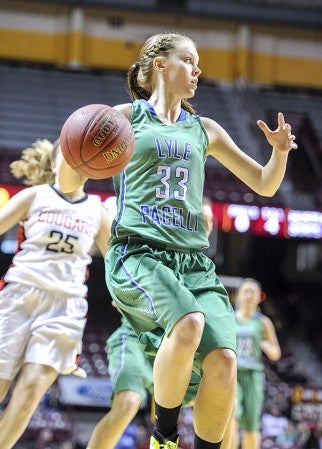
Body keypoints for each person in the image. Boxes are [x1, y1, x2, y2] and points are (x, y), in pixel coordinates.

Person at [59, 32, 297, 449]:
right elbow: (73, 157)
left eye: (199, 62)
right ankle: (165, 438)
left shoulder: (205, 128)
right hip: (139, 253)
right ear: (161, 66)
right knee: (188, 324)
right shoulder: (121, 119)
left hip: (193, 263)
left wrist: (278, 152)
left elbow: (263, 183)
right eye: (189, 60)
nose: (198, 70)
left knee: (224, 360)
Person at [0, 139, 111, 449]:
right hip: (19, 296)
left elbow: (118, 263)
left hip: (65, 307)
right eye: (68, 150)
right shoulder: (35, 195)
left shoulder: (97, 211)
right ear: (52, 163)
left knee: (32, 390)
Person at [86, 196, 213, 449]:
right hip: (135, 336)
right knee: (128, 403)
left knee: (219, 394)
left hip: (174, 347)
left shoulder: (201, 268)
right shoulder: (158, 241)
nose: (206, 225)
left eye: (210, 222)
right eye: (202, 219)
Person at [234, 278, 282, 449]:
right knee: (231, 416)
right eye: (245, 291)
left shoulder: (263, 322)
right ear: (238, 295)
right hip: (233, 375)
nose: (248, 295)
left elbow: (276, 354)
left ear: (258, 297)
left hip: (253, 375)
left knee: (251, 426)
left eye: (252, 292)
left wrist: (267, 346)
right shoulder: (229, 319)